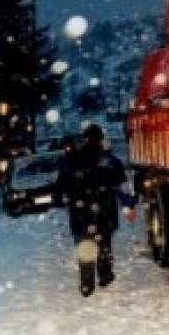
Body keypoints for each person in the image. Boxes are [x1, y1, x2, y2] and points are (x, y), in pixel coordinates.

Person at [58, 124, 137, 297]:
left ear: (84, 139)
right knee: (104, 245)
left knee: (84, 246)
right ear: (101, 139)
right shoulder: (110, 161)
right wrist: (128, 205)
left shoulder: (72, 160)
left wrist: (68, 199)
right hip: (104, 211)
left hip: (81, 213)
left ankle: (87, 284)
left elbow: (63, 186)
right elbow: (121, 187)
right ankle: (105, 276)